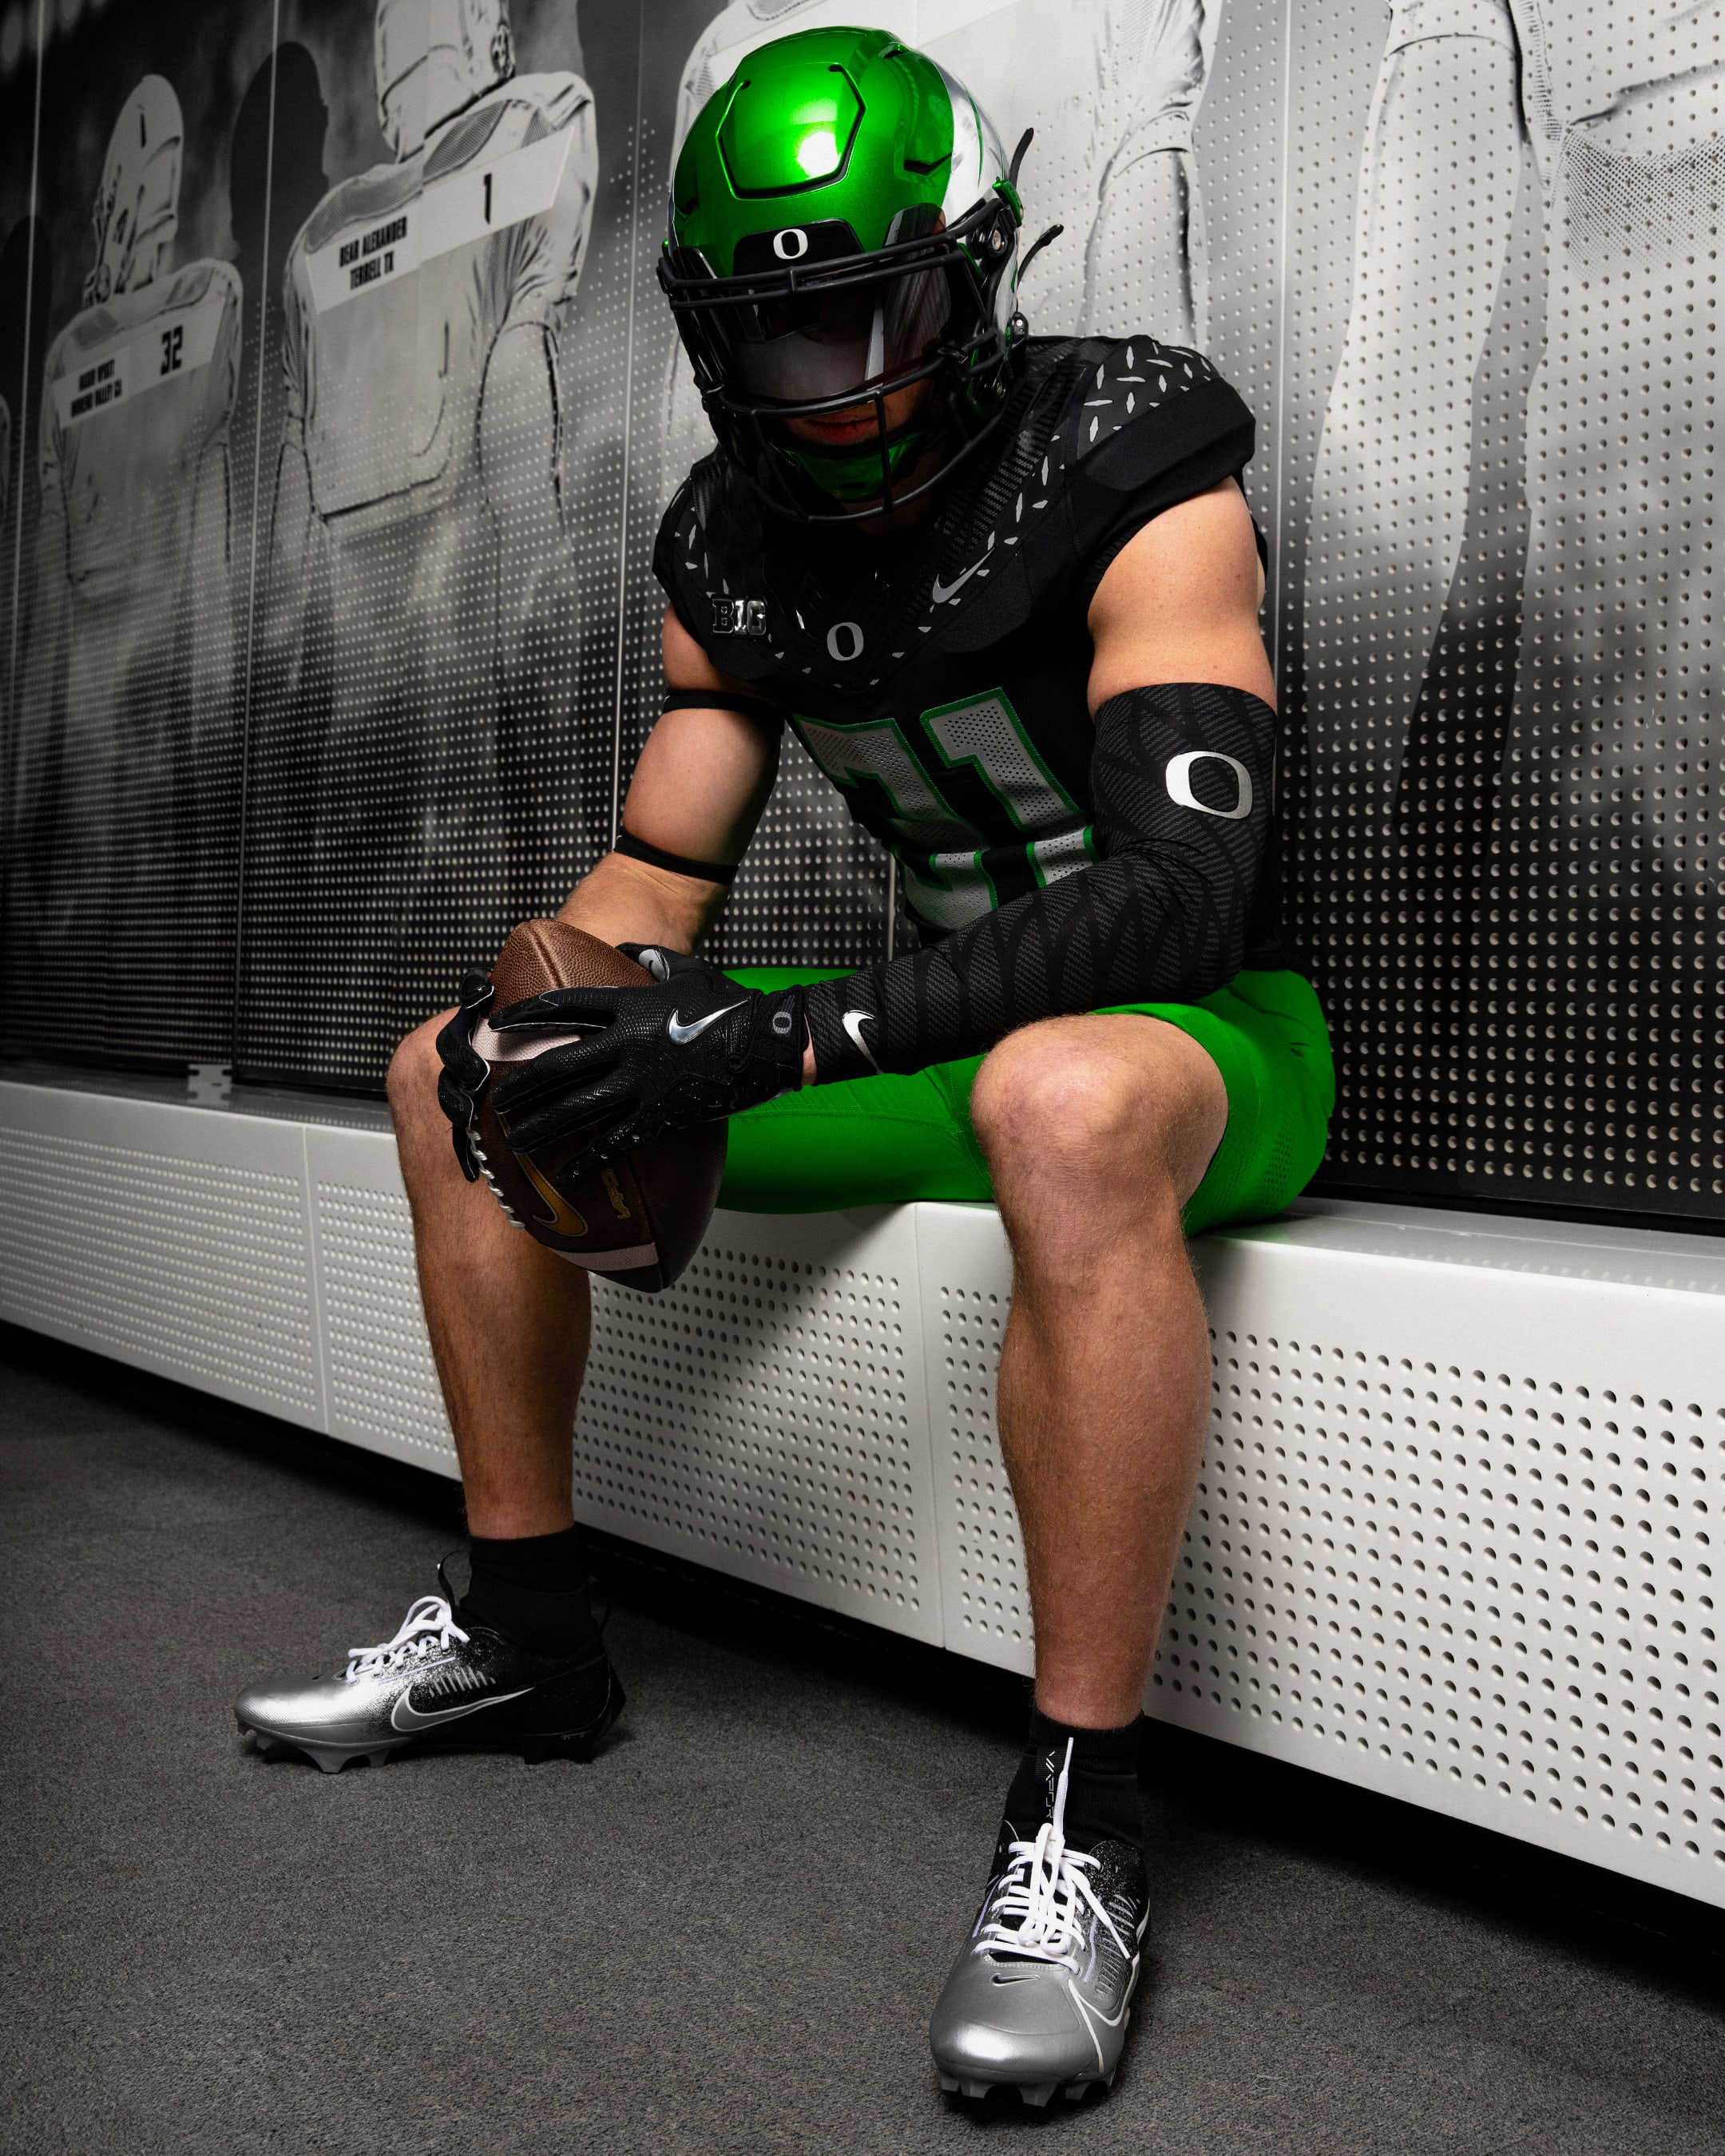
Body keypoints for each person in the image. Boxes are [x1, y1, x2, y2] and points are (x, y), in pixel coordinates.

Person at [237, 27, 1332, 2105]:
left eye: (861, 312)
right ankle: (527, 1626)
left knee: (1064, 1095)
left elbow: (1189, 887)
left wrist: (778, 1029)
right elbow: (658, 871)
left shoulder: (1134, 448)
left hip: (1190, 1040)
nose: (822, 376)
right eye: (773, 330)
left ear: (970, 269)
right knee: (448, 1067)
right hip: (934, 1032)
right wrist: (566, 1019)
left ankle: (1081, 1822)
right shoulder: (728, 539)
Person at [253, 0, 597, 1072]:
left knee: (388, 859)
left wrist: (285, 637)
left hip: (374, 606)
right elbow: (512, 371)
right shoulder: (539, 119)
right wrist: (549, 584)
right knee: (510, 854)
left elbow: (302, 452)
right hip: (462, 574)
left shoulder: (321, 234)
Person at [9, 76, 240, 1053]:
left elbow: (210, 554)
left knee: (154, 968)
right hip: (107, 713)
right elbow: (49, 621)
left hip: (154, 705)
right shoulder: (70, 364)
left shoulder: (197, 312)